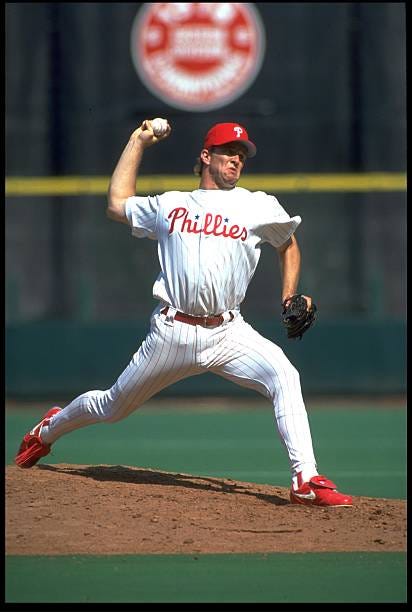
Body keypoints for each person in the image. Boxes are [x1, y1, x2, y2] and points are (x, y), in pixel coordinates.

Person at [15, 119, 353, 507]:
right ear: (206, 156)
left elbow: (288, 245)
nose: (236, 160)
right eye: (228, 152)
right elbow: (115, 204)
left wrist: (290, 295)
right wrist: (137, 142)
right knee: (112, 406)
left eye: (242, 155)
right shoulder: (172, 204)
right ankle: (48, 430)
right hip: (172, 331)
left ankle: (305, 479)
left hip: (229, 332)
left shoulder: (258, 205)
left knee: (284, 375)